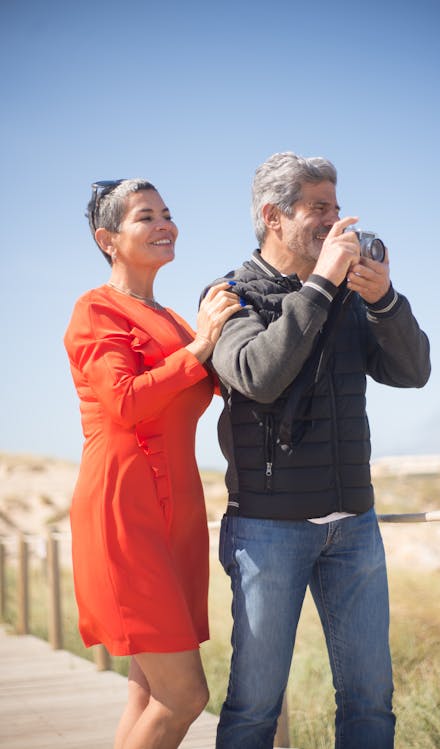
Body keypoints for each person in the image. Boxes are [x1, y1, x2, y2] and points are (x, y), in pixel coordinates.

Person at [204, 152, 431, 749]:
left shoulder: (351, 295)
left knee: (370, 704)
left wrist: (383, 300)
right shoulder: (230, 296)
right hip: (266, 531)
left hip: (354, 526)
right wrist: (322, 284)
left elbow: (413, 372)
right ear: (273, 216)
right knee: (254, 708)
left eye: (337, 208)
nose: (337, 224)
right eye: (320, 209)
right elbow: (258, 374)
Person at [64, 178, 241, 749]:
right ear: (108, 238)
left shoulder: (170, 319)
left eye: (168, 212)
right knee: (185, 696)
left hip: (178, 515)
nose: (166, 224)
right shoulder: (96, 310)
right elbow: (125, 400)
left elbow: (223, 383)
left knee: (147, 690)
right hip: (124, 512)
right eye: (147, 217)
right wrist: (202, 342)